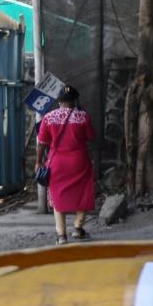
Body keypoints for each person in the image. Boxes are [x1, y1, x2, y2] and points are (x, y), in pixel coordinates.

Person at [35, 85, 96, 245]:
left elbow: (41, 143)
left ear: (59, 101)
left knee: (57, 195)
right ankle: (77, 228)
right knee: (83, 192)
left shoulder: (48, 118)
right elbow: (90, 137)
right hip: (79, 161)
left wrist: (38, 161)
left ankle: (61, 235)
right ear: (75, 100)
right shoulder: (83, 117)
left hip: (57, 163)